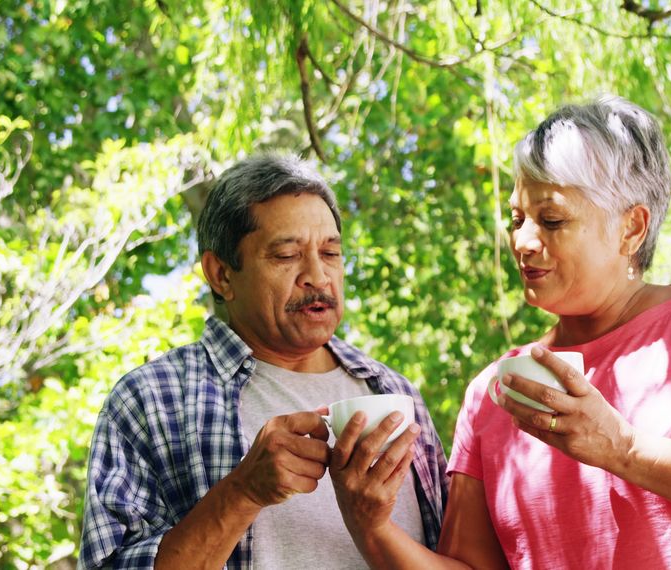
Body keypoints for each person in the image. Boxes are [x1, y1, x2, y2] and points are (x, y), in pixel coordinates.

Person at [329, 96, 671, 568]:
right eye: (517, 217)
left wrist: (622, 447)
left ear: (631, 228)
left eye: (551, 219)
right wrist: (372, 528)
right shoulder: (494, 392)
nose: (523, 241)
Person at [78, 155, 448, 569]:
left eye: (330, 253)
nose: (318, 276)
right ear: (220, 274)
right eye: (287, 255)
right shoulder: (150, 401)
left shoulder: (395, 393)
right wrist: (242, 492)